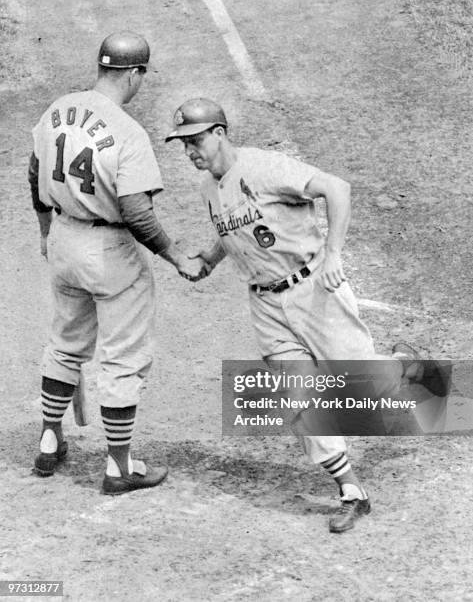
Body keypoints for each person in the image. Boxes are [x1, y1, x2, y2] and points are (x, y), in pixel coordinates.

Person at [165, 98, 451, 532]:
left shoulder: (265, 167)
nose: (189, 151)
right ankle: (351, 490)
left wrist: (334, 252)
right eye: (183, 143)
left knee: (361, 381)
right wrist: (209, 257)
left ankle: (413, 373)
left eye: (195, 140)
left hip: (314, 289)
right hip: (265, 304)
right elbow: (235, 230)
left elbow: (337, 187)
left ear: (219, 134)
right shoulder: (210, 188)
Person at [28, 33, 208, 495]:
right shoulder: (127, 132)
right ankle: (119, 466)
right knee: (122, 360)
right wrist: (173, 256)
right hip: (109, 253)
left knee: (65, 342)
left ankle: (50, 439)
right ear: (134, 74)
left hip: (64, 238)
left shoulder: (56, 109)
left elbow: (34, 171)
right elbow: (136, 211)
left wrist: (46, 228)